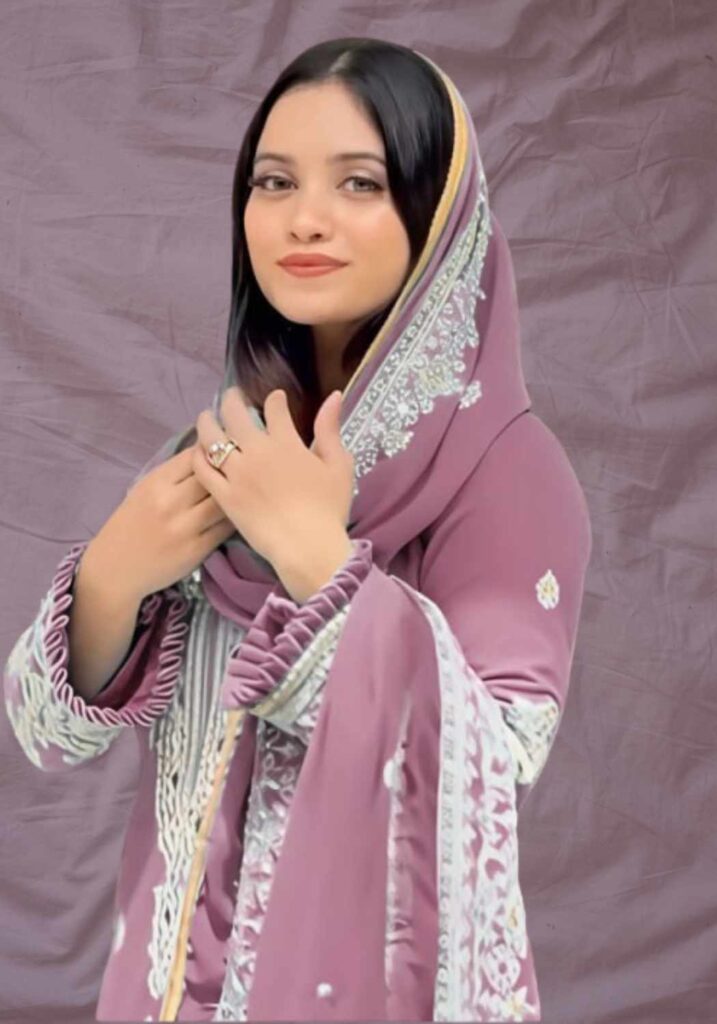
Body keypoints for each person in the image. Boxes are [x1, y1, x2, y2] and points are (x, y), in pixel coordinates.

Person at [3, 37, 592, 1023]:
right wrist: (110, 577)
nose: (303, 218)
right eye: (273, 181)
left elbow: (487, 779)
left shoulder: (506, 473)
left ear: (438, 218)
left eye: (359, 183)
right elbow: (42, 734)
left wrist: (318, 558)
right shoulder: (222, 449)